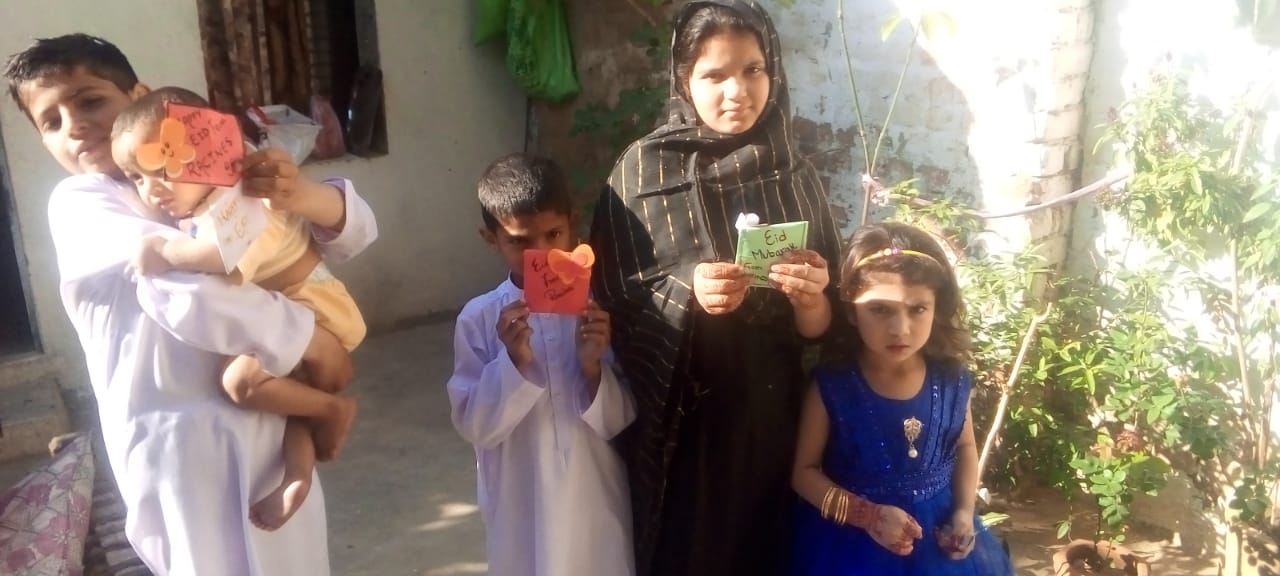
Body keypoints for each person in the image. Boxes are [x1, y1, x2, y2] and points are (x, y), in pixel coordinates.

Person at [3, 33, 377, 575]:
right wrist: (313, 341)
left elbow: (343, 234)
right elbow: (187, 295)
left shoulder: (210, 166)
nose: (75, 127)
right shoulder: (80, 204)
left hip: (264, 418)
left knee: (291, 559)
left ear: (140, 96)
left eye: (90, 102)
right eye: (51, 122)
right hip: (179, 440)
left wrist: (301, 193)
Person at [589, 1, 844, 574]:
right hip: (684, 425)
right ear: (684, 81)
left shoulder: (794, 173)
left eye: (753, 69)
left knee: (772, 550)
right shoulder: (642, 172)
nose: (738, 91)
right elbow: (614, 297)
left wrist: (813, 299)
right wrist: (687, 293)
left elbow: (828, 326)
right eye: (714, 75)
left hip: (778, 415)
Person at [113, 86, 365, 531]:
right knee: (291, 402)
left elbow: (221, 258)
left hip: (315, 306)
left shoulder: (243, 199)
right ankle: (298, 477)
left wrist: (163, 251)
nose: (151, 191)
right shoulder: (208, 204)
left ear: (204, 153)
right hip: (292, 309)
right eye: (136, 178)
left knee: (241, 383)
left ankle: (333, 411)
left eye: (164, 169)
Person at [448, 153, 636, 576]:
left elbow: (622, 420)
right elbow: (476, 427)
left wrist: (593, 367)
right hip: (521, 500)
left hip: (595, 490)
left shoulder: (598, 308)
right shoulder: (479, 319)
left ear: (572, 225)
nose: (543, 253)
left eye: (553, 234)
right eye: (520, 241)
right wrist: (513, 362)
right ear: (491, 238)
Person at [790, 222, 1014, 575]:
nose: (900, 329)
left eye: (918, 309)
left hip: (937, 542)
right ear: (851, 311)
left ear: (937, 308)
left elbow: (966, 447)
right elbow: (803, 473)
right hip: (851, 546)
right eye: (880, 309)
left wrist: (963, 512)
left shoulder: (951, 380)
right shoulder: (832, 386)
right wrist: (868, 517)